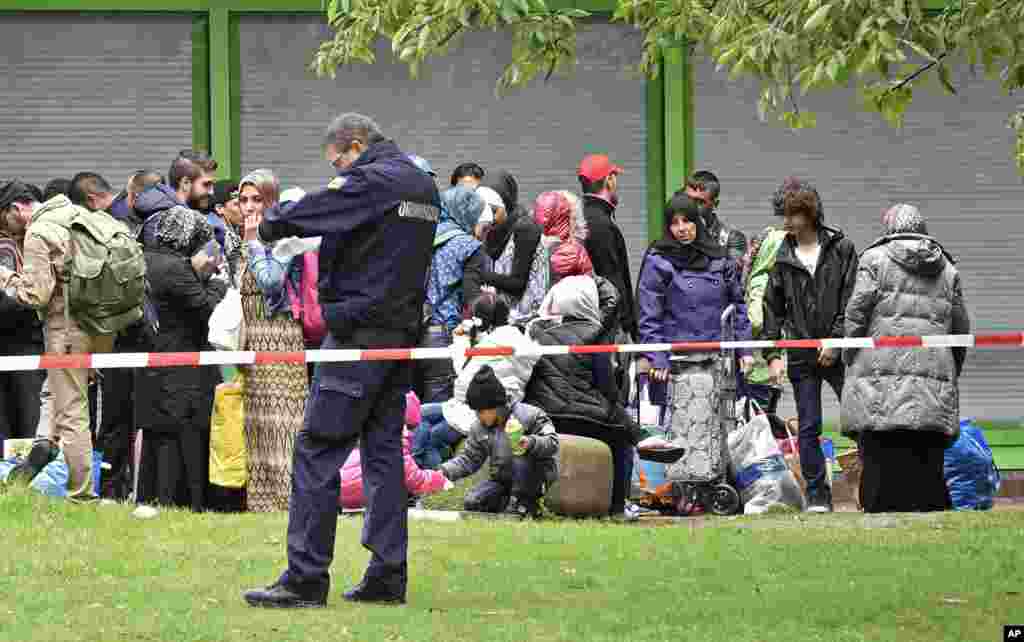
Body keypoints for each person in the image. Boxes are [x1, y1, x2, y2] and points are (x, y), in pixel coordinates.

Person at [243, 113, 439, 608]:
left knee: (317, 448)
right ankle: (387, 575)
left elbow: (322, 208)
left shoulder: (374, 179)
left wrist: (271, 224)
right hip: (399, 337)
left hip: (357, 334)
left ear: (355, 145)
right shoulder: (422, 184)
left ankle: (305, 578)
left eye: (338, 162)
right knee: (384, 455)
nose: (338, 172)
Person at [842, 204, 969, 513]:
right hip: (933, 371)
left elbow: (857, 313)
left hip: (880, 371)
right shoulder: (947, 268)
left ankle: (881, 506)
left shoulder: (873, 260)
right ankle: (930, 508)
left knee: (881, 448)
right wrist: (952, 364)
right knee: (927, 450)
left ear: (890, 228)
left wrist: (849, 353)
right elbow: (961, 326)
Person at [0, 180, 116, 501]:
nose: (9, 229)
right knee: (58, 397)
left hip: (66, 330)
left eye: (6, 219)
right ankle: (42, 449)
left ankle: (81, 494)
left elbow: (35, 295)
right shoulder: (78, 214)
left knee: (72, 414)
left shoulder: (39, 231)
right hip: (100, 325)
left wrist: (6, 278)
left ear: (16, 209)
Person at [637, 195, 753, 508]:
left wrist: (744, 350)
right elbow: (649, 314)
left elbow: (737, 306)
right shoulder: (658, 260)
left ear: (697, 223)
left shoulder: (719, 259)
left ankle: (713, 484)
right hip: (676, 362)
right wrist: (657, 357)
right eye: (674, 223)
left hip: (718, 360)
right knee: (681, 427)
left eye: (687, 221)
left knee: (716, 425)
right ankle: (682, 488)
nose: (682, 228)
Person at [762, 177, 858, 513]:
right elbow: (772, 307)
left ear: (810, 213)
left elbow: (852, 300)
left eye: (792, 214)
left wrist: (836, 341)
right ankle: (818, 495)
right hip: (801, 352)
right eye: (783, 214)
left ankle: (872, 484)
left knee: (861, 419)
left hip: (841, 352)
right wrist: (772, 355)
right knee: (808, 426)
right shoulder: (782, 255)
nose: (786, 221)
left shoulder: (842, 249)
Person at [524, 275, 648, 520]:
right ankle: (617, 506)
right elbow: (607, 387)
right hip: (586, 417)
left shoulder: (536, 331)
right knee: (622, 439)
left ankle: (529, 502)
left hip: (544, 415)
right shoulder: (595, 334)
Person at [135, 206, 226, 511]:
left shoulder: (147, 258)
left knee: (159, 437)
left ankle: (155, 496)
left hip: (156, 360)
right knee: (182, 434)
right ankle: (184, 500)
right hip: (181, 366)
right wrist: (217, 284)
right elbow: (205, 309)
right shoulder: (175, 268)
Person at [237, 169, 308, 513]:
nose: (250, 207)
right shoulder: (241, 237)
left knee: (284, 422)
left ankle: (291, 500)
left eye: (257, 199)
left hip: (279, 335)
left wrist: (253, 243)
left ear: (271, 202)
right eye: (243, 200)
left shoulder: (283, 235)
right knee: (257, 423)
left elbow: (271, 282)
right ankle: (261, 501)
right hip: (251, 336)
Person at [413, 293, 540, 470]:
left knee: (426, 434)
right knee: (417, 415)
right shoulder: (514, 340)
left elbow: (464, 380)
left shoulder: (492, 345)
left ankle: (437, 479)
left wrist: (461, 339)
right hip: (481, 408)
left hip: (475, 412)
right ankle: (425, 467)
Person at [440, 366, 559, 518]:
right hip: (502, 480)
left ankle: (526, 503)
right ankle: (513, 505)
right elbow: (468, 459)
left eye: (481, 411)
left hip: (534, 478)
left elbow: (553, 442)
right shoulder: (479, 427)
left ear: (496, 406)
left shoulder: (531, 415)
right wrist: (444, 471)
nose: (478, 416)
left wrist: (530, 442)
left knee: (521, 457)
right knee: (473, 502)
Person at [417, 185, 487, 403]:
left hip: (409, 329)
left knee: (410, 405)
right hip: (444, 333)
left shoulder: (419, 236)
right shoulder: (469, 246)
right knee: (438, 406)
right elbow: (471, 296)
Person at [340, 391, 451, 510]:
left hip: (338, 492)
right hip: (361, 496)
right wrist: (441, 480)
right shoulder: (394, 445)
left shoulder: (361, 433)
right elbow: (416, 480)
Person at [0, 185, 46, 447]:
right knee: (25, 415)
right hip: (21, 340)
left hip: (23, 341)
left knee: (23, 415)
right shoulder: (6, 246)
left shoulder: (28, 241)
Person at [578, 154, 637, 342]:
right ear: (609, 180)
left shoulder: (580, 216)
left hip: (590, 320)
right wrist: (627, 323)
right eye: (614, 177)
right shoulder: (601, 224)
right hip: (609, 326)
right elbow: (611, 277)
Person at [479, 171, 547, 320]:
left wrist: (478, 275)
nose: (488, 215)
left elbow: (518, 284)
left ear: (506, 203)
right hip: (502, 312)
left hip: (525, 316)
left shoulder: (525, 229)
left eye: (493, 209)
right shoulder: (490, 228)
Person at [739, 226, 789, 414]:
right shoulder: (775, 279)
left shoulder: (760, 279)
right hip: (769, 366)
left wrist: (739, 333)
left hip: (758, 368)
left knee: (756, 422)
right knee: (765, 419)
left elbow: (756, 321)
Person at [684, 170, 747, 263]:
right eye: (687, 200)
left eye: (699, 202)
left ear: (715, 204)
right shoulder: (677, 232)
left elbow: (730, 271)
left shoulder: (732, 239)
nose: (691, 206)